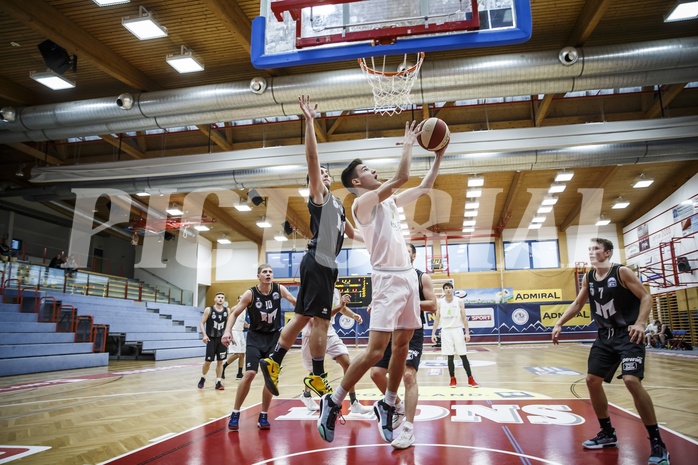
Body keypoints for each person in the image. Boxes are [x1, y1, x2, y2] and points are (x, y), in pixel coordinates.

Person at [316, 119, 444, 444]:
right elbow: (402, 177)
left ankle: (387, 404)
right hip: (387, 279)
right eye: (369, 169)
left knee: (402, 346)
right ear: (358, 180)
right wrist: (408, 144)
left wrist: (439, 156)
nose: (375, 172)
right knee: (376, 352)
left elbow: (424, 187)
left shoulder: (386, 201)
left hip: (406, 280)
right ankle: (333, 402)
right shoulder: (362, 203)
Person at [259, 95, 360, 399]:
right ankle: (317, 376)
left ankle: (273, 360)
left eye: (328, 174)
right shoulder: (320, 196)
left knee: (302, 317)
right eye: (321, 175)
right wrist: (310, 122)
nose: (325, 175)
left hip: (321, 262)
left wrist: (384, 243)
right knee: (322, 321)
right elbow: (313, 161)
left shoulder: (339, 205)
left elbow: (353, 233)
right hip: (320, 260)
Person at [552, 237, 670, 465]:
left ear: (607, 253)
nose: (591, 252)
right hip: (605, 336)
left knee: (631, 381)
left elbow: (646, 296)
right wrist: (559, 322)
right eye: (589, 249)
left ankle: (657, 442)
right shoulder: (588, 277)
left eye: (595, 248)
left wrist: (641, 323)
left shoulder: (622, 272)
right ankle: (607, 433)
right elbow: (578, 304)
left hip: (629, 334)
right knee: (591, 380)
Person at [369, 242, 437, 449]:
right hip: (389, 330)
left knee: (408, 375)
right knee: (376, 373)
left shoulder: (421, 277)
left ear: (413, 256)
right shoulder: (389, 277)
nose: (401, 254)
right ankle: (397, 405)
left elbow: (433, 304)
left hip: (411, 330)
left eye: (406, 251)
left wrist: (404, 302)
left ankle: (408, 429)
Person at [223, 264, 296, 431]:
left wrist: (307, 315)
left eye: (270, 271)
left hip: (274, 339)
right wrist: (227, 331)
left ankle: (264, 414)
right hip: (255, 338)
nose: (268, 274)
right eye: (265, 272)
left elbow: (294, 301)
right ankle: (235, 412)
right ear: (259, 276)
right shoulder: (251, 293)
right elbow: (234, 313)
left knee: (270, 377)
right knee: (249, 373)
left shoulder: (279, 289)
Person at [299, 286, 372, 415]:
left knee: (347, 364)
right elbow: (316, 317)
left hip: (330, 332)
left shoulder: (336, 291)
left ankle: (354, 402)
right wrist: (340, 306)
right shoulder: (315, 290)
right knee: (315, 373)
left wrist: (353, 315)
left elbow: (342, 309)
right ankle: (306, 395)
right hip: (312, 334)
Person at [431, 282, 478, 388]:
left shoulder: (459, 301)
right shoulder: (440, 302)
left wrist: (467, 332)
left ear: (452, 289)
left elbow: (464, 317)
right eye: (446, 288)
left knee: (463, 355)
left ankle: (470, 379)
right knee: (450, 357)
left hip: (457, 330)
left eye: (450, 288)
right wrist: (433, 333)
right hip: (446, 331)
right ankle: (452, 379)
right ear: (443, 290)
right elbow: (437, 318)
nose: (448, 290)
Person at [197, 292, 229, 391]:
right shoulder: (209, 309)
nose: (220, 299)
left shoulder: (227, 310)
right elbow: (202, 323)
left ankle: (218, 382)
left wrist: (229, 335)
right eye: (218, 297)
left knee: (220, 361)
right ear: (215, 299)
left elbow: (229, 324)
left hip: (222, 339)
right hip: (211, 339)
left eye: (222, 297)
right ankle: (203, 377)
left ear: (224, 300)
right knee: (208, 361)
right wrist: (204, 335)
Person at [222, 297, 247, 381]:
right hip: (234, 331)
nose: (241, 300)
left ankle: (239, 373)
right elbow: (229, 321)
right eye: (240, 298)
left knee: (242, 354)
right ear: (237, 300)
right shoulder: (234, 308)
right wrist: (230, 333)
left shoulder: (244, 309)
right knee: (238, 354)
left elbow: (242, 323)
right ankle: (223, 366)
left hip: (241, 332)